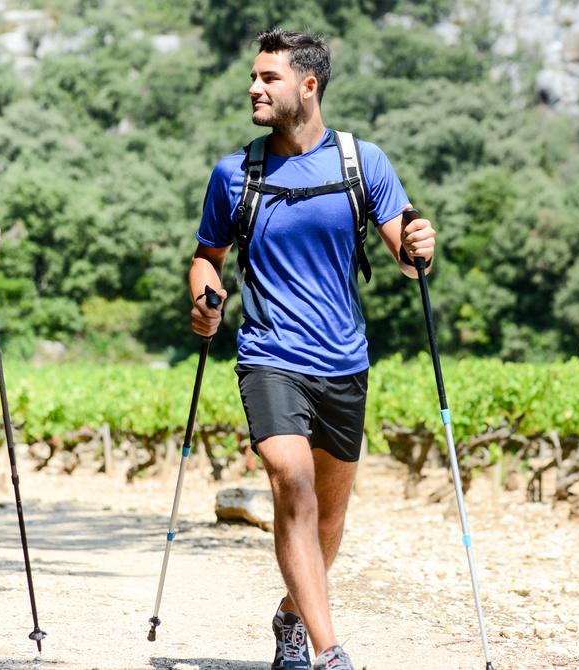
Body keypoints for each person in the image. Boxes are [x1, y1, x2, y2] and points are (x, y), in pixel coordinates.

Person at [189, 28, 436, 670]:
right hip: (269, 357)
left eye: (267, 78)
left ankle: (292, 617)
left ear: (308, 86)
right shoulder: (234, 173)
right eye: (253, 76)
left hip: (344, 362)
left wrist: (421, 246)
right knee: (292, 483)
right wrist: (205, 298)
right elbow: (208, 257)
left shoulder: (362, 162)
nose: (253, 87)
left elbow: (406, 253)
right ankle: (331, 652)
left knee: (327, 520)